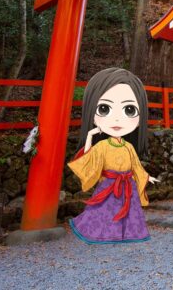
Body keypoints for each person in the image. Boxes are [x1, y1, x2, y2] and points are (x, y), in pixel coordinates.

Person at [67, 68, 158, 244]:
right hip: (109, 184)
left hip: (127, 184)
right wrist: (90, 137)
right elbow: (88, 158)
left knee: (129, 211)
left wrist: (147, 177)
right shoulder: (101, 145)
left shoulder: (129, 147)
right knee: (104, 210)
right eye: (104, 108)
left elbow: (136, 166)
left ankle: (126, 234)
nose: (116, 119)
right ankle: (103, 234)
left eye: (130, 110)